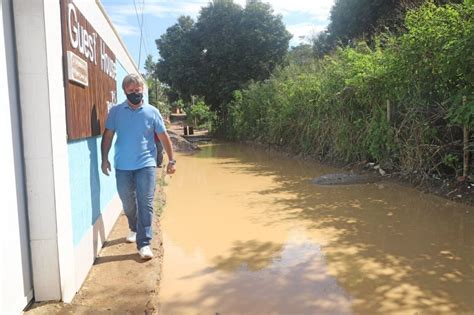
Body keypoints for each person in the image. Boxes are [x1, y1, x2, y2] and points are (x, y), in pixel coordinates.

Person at [101, 74, 176, 260]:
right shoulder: (116, 112)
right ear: (125, 91)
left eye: (138, 90)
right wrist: (104, 158)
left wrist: (172, 160)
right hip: (123, 165)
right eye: (131, 90)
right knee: (128, 201)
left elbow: (164, 137)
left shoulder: (152, 112)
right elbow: (108, 136)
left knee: (146, 202)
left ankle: (144, 243)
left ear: (142, 90)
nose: (135, 93)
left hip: (146, 164)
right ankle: (133, 228)